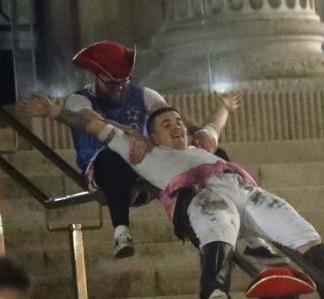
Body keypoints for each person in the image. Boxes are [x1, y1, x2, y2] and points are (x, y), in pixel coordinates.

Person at [19, 93, 324, 299]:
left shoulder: (201, 146)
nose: (177, 126)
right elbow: (95, 127)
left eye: (178, 122)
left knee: (297, 228)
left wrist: (224, 107)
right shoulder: (145, 154)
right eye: (167, 124)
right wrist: (54, 112)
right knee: (218, 225)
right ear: (152, 136)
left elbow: (214, 125)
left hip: (241, 187)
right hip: (199, 194)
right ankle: (215, 292)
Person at [66, 40, 221, 258]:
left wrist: (198, 131)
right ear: (96, 78)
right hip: (104, 170)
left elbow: (166, 112)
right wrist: (130, 132)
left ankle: (212, 237)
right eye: (112, 84)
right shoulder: (78, 100)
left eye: (123, 83)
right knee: (113, 158)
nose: (119, 89)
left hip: (143, 164)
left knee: (210, 158)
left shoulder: (143, 94)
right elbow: (93, 121)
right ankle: (121, 232)